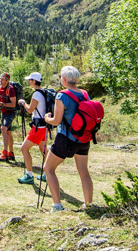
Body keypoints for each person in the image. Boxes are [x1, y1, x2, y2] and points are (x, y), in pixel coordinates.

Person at [43, 66, 94, 212]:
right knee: (84, 171)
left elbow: (57, 121)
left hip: (66, 139)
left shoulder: (61, 95)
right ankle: (88, 204)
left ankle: (57, 205)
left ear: (64, 79)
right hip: (83, 138)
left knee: (49, 168)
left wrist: (47, 118)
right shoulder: (84, 93)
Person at [16, 72, 47, 184]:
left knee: (24, 148)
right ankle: (47, 173)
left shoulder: (36, 94)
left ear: (34, 81)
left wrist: (23, 102)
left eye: (30, 80)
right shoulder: (43, 92)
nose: (29, 81)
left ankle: (29, 175)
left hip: (38, 127)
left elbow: (30, 109)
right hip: (44, 126)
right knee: (43, 149)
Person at [0, 72, 17, 161]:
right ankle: (11, 153)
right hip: (3, 112)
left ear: (7, 81)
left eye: (2, 79)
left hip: (10, 113)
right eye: (0, 79)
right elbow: (1, 100)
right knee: (8, 132)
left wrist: (1, 103)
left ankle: (5, 153)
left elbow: (13, 104)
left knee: (3, 129)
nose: (0, 81)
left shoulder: (11, 89)